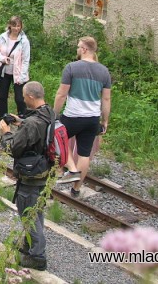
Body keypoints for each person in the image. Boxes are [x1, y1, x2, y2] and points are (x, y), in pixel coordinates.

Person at [0, 81, 53, 271]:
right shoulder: (49, 113)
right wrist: (20, 121)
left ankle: (37, 256)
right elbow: (36, 130)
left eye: (23, 95)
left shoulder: (32, 124)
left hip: (31, 175)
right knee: (36, 209)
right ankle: (27, 244)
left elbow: (13, 148)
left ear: (30, 97)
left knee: (29, 213)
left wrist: (6, 132)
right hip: (44, 171)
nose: (22, 98)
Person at [54, 36, 111, 197]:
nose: (77, 50)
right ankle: (76, 189)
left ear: (85, 49)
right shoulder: (104, 71)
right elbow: (106, 99)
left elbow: (61, 94)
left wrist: (54, 114)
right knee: (84, 154)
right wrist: (105, 121)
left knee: (55, 142)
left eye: (79, 47)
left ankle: (57, 177)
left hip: (72, 116)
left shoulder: (72, 68)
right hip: (92, 119)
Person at [0, 16, 31, 119]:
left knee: (20, 99)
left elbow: (26, 60)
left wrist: (22, 77)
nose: (16, 28)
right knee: (2, 97)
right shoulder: (3, 37)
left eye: (18, 26)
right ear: (10, 25)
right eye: (14, 25)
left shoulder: (24, 41)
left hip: (18, 74)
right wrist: (2, 58)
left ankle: (22, 120)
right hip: (4, 71)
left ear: (21, 27)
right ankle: (2, 120)